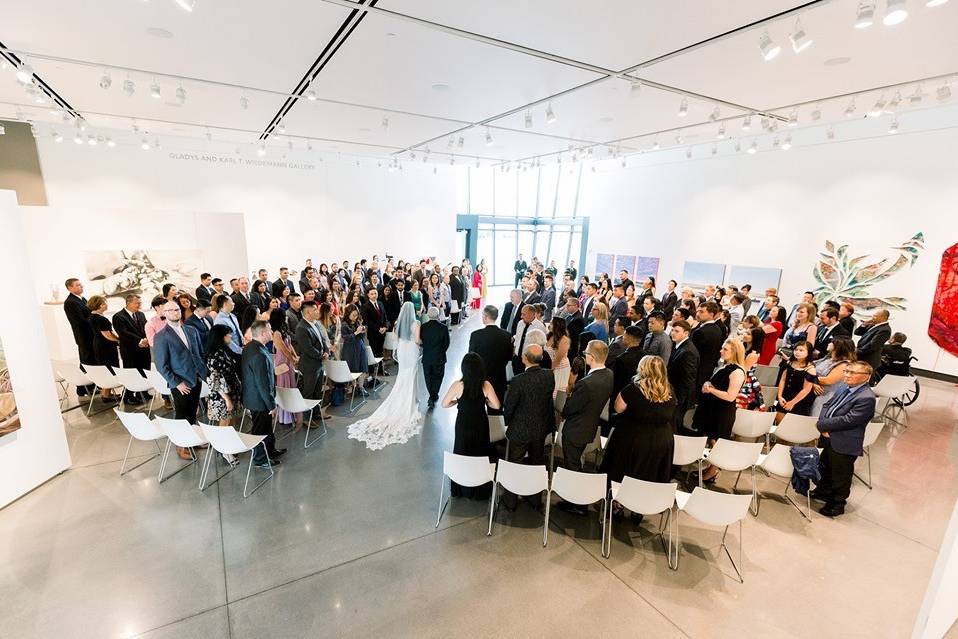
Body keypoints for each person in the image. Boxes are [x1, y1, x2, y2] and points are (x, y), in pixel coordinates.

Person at [348, 302, 426, 450]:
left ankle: (408, 397)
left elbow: (396, 337)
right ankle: (411, 400)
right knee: (412, 373)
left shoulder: (398, 322)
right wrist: (423, 342)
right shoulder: (416, 322)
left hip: (403, 349)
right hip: (411, 349)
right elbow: (417, 340)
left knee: (403, 373)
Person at [602, 355, 677, 494]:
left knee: (625, 471)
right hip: (662, 440)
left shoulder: (632, 389)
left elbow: (618, 408)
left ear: (642, 369)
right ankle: (640, 506)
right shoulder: (669, 390)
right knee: (650, 473)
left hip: (634, 437)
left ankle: (618, 503)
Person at [811, 362, 877, 517]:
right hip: (829, 434)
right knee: (825, 466)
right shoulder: (843, 388)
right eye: (846, 371)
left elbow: (850, 420)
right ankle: (823, 491)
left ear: (866, 377)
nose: (847, 375)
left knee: (840, 474)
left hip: (844, 440)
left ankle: (837, 504)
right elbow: (828, 405)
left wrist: (823, 425)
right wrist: (824, 426)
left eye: (852, 373)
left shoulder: (867, 397)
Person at [441, 353, 501, 499]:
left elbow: (444, 403)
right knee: (480, 452)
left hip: (463, 423)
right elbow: (497, 405)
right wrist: (486, 402)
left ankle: (461, 488)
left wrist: (457, 402)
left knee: (462, 450)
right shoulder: (485, 385)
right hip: (480, 423)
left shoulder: (458, 385)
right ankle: (479, 488)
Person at [153, 301, 209, 460]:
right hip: (180, 383)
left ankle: (193, 440)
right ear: (165, 313)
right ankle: (181, 446)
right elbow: (161, 365)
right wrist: (177, 383)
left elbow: (199, 354)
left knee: (192, 412)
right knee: (182, 416)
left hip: (196, 378)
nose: (175, 312)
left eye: (177, 309)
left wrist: (203, 374)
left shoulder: (191, 330)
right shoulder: (161, 336)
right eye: (170, 310)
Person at [691, 339, 747, 482]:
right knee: (711, 438)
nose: (721, 351)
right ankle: (711, 468)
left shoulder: (737, 372)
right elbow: (716, 384)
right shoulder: (725, 365)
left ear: (734, 352)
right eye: (722, 348)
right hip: (712, 408)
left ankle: (713, 471)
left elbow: (730, 396)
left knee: (717, 442)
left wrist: (710, 389)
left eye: (725, 349)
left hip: (722, 412)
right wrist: (709, 384)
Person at [560, 340, 614, 480]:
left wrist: (570, 394)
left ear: (592, 357)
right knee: (575, 463)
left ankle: (573, 500)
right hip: (589, 427)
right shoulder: (609, 374)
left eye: (586, 352)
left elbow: (569, 409)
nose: (584, 355)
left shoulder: (586, 383)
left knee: (571, 467)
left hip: (575, 430)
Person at [503, 343, 555, 474]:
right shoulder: (549, 376)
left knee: (515, 466)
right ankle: (533, 493)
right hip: (540, 428)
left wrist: (507, 423)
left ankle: (512, 493)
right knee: (536, 465)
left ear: (524, 358)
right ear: (541, 357)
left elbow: (509, 406)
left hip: (519, 430)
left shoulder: (518, 380)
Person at [242, 320, 284, 467]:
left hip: (256, 397)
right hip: (259, 400)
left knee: (267, 428)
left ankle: (270, 451)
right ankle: (260, 459)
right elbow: (263, 383)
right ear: (263, 333)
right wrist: (271, 404)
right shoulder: (258, 353)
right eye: (270, 329)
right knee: (260, 430)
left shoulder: (251, 347)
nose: (272, 332)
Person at [204, 324, 242, 466]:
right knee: (224, 423)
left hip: (231, 390)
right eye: (228, 334)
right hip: (222, 396)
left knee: (231, 420)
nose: (230, 336)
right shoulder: (214, 355)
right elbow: (215, 380)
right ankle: (224, 450)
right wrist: (227, 399)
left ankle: (229, 446)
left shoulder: (223, 350)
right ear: (221, 336)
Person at [469, 305, 513, 413]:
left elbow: (471, 357)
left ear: (485, 317)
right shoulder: (506, 335)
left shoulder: (476, 335)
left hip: (480, 379)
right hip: (499, 378)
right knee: (496, 409)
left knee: (477, 410)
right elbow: (509, 357)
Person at [295, 301, 331, 417]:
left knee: (317, 391)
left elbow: (322, 340)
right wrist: (321, 355)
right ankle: (306, 417)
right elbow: (307, 348)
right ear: (308, 312)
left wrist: (326, 351)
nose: (318, 311)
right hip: (309, 365)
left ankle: (316, 413)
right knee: (308, 392)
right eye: (315, 309)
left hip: (318, 363)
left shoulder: (315, 323)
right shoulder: (301, 327)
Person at [112, 294, 150, 404]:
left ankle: (142, 392)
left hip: (144, 348)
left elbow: (146, 328)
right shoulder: (118, 316)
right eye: (137, 303)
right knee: (131, 373)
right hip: (130, 350)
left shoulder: (141, 314)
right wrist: (140, 340)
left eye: (140, 303)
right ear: (128, 303)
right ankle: (128, 396)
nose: (139, 305)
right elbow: (123, 333)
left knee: (144, 371)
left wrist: (146, 339)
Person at [269, 308, 301, 428]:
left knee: (290, 385)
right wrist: (292, 358)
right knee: (284, 386)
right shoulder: (276, 333)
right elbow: (283, 349)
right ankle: (285, 417)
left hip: (288, 361)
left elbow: (289, 344)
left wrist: (295, 355)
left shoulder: (283, 330)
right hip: (282, 361)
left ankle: (291, 413)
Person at [63, 278, 96, 394]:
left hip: (91, 336)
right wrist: (95, 320)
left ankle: (91, 386)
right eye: (77, 285)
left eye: (81, 284)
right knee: (87, 362)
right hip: (84, 337)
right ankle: (82, 388)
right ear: (69, 288)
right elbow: (79, 321)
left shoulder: (82, 299)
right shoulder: (70, 302)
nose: (81, 286)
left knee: (91, 361)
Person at [811, 336, 857, 417]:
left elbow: (827, 380)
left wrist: (807, 377)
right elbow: (810, 366)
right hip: (816, 392)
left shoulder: (844, 365)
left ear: (838, 346)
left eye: (831, 342)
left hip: (827, 397)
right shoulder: (829, 358)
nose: (829, 343)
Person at [774, 341, 818, 424]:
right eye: (796, 349)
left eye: (801, 350)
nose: (797, 352)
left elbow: (806, 390)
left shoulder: (810, 369)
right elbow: (783, 380)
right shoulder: (790, 363)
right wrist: (779, 396)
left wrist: (792, 402)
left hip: (799, 400)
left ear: (808, 353)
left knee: (791, 426)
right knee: (779, 422)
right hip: (785, 396)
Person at [667, 320, 700, 432]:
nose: (673, 333)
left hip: (680, 397)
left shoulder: (688, 351)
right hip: (675, 394)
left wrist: (678, 400)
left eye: (677, 331)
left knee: (673, 426)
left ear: (686, 333)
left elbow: (688, 380)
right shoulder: (679, 346)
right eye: (672, 330)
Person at [690, 302, 724, 397]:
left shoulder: (700, 331)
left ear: (711, 314)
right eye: (698, 311)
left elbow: (693, 354)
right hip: (707, 371)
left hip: (697, 371)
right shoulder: (717, 329)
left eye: (701, 312)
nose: (698, 314)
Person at [421, 307, 451, 408]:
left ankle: (431, 395)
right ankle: (434, 396)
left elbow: (421, 342)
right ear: (438, 316)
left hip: (427, 357)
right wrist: (441, 351)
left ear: (428, 315)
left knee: (428, 377)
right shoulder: (443, 327)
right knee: (438, 377)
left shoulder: (423, 327)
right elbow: (446, 343)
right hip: (439, 357)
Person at [855, 309, 892, 376]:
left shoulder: (885, 330)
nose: (872, 317)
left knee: (865, 380)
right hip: (862, 356)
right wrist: (864, 324)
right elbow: (857, 332)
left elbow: (872, 345)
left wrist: (857, 351)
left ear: (883, 317)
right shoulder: (873, 325)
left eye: (875, 316)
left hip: (869, 359)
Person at [611, 326, 644, 400]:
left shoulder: (621, 359)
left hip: (621, 395)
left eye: (624, 334)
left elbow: (616, 382)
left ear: (629, 338)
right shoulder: (645, 356)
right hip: (637, 395)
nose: (623, 336)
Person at [511, 305, 546, 375]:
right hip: (517, 358)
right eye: (521, 314)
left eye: (524, 314)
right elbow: (517, 340)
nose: (521, 316)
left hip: (529, 361)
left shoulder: (540, 326)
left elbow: (540, 346)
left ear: (532, 314)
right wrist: (514, 354)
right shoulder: (520, 323)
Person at [362, 288, 388, 377]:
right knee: (373, 352)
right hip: (373, 332)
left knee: (380, 351)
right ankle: (372, 372)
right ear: (368, 295)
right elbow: (367, 321)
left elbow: (384, 316)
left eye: (375, 293)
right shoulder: (365, 306)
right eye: (372, 293)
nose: (374, 295)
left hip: (382, 332)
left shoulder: (380, 303)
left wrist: (385, 327)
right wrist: (378, 328)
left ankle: (381, 369)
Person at [340, 304, 369, 385]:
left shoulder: (358, 322)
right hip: (350, 349)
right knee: (353, 368)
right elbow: (346, 338)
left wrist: (362, 331)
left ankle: (361, 387)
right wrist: (356, 333)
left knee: (363, 366)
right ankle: (353, 387)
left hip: (360, 346)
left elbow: (362, 336)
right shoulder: (344, 324)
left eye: (357, 315)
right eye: (353, 315)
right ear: (348, 314)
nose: (355, 317)